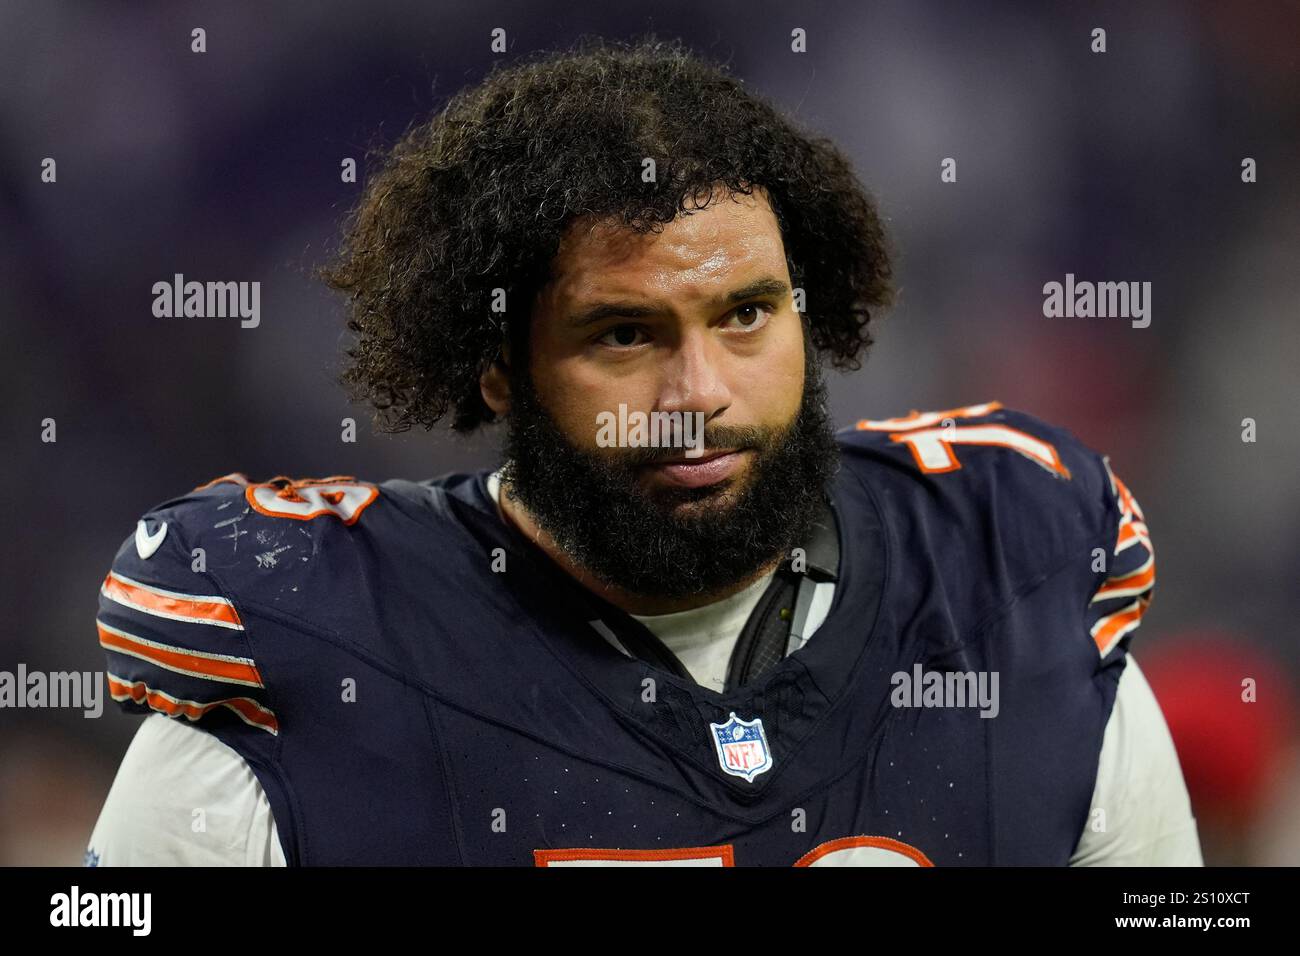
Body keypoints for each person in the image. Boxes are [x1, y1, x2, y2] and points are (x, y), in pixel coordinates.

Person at [87, 37, 1200, 866]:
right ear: (496, 364)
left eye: (747, 314)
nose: (699, 395)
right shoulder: (304, 658)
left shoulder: (1012, 578)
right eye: (624, 333)